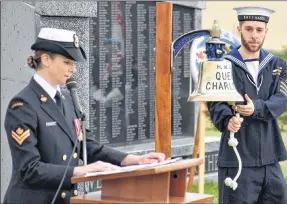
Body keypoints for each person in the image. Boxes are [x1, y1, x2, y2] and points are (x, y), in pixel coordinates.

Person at [3, 27, 165, 204]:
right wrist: (82, 171)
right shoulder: (23, 105)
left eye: (73, 63)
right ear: (46, 59)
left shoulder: (66, 97)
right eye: (67, 62)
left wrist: (131, 159)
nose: (73, 69)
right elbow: (29, 169)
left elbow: (84, 144)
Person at [207, 6, 287, 204]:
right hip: (237, 158)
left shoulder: (277, 65)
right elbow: (215, 101)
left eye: (259, 30)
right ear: (239, 29)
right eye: (249, 29)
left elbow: (282, 98)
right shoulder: (224, 64)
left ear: (266, 32)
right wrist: (227, 120)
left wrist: (256, 108)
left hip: (271, 158)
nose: (254, 35)